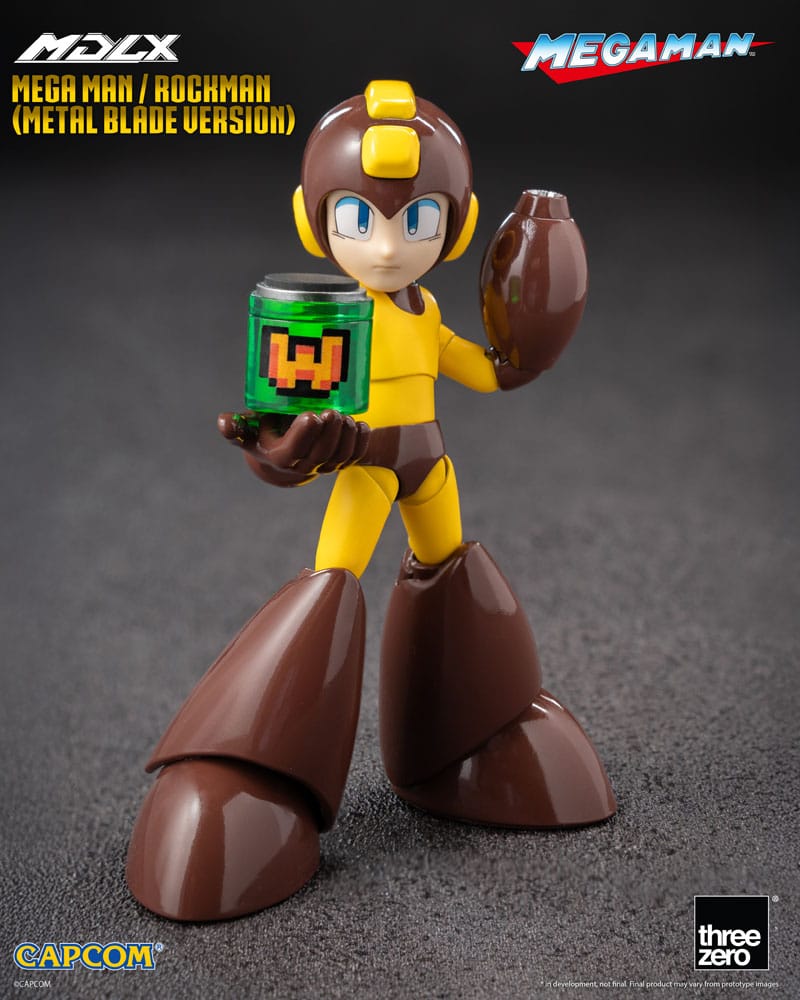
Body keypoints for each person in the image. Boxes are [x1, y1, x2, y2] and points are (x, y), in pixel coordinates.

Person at [126, 80, 616, 922]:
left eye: (416, 221)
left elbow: (486, 369)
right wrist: (283, 453)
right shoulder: (332, 321)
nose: (388, 246)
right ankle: (251, 761)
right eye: (359, 219)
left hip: (430, 468)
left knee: (446, 566)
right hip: (364, 469)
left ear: (459, 226)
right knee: (330, 589)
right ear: (310, 221)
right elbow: (286, 416)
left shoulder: (424, 313)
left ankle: (475, 728)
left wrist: (534, 329)